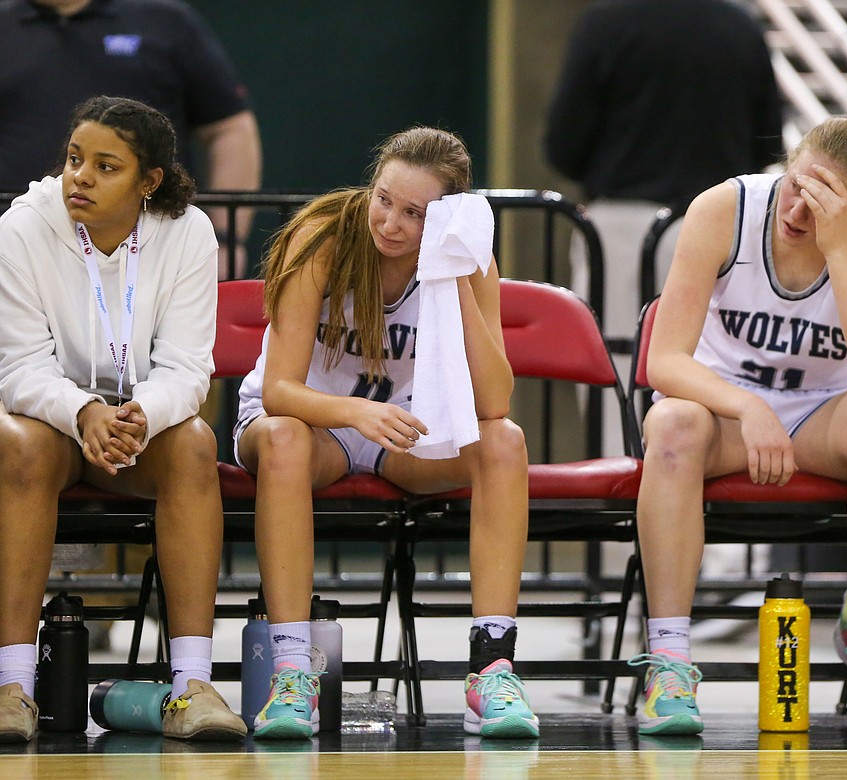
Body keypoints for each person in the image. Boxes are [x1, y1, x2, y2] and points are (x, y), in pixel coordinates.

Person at [233, 127, 538, 740]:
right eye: (383, 199)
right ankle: (293, 675)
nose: (390, 223)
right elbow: (279, 392)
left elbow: (495, 400)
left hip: (401, 432)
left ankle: (492, 669)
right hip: (306, 426)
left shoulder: (466, 257)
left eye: (415, 214)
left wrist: (453, 278)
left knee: (504, 442)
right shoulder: (320, 239)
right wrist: (351, 412)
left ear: (446, 216)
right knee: (287, 439)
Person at [631, 117, 847, 735]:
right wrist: (746, 406)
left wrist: (839, 250)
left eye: (824, 199)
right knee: (674, 425)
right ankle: (669, 658)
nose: (798, 207)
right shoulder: (723, 208)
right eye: (797, 184)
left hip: (824, 413)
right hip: (725, 411)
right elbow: (664, 361)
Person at [0, 95, 246, 742]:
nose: (79, 176)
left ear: (149, 182)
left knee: (193, 443)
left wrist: (143, 414)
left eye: (106, 166)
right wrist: (82, 411)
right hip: (51, 421)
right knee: (17, 445)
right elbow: (19, 367)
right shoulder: (22, 228)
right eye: (75, 159)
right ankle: (13, 689)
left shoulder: (188, 232)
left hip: (138, 424)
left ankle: (191, 686)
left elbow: (190, 367)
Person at [544, 0, 785, 457]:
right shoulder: (739, 25)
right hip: (723, 225)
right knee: (718, 365)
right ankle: (715, 516)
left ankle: (618, 512)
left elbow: (564, 142)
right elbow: (768, 134)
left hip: (621, 229)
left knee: (612, 369)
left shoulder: (605, 23)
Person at [0, 0, 263, 278]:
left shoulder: (164, 21)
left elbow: (228, 129)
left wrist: (225, 239)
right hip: (16, 247)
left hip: (151, 249)